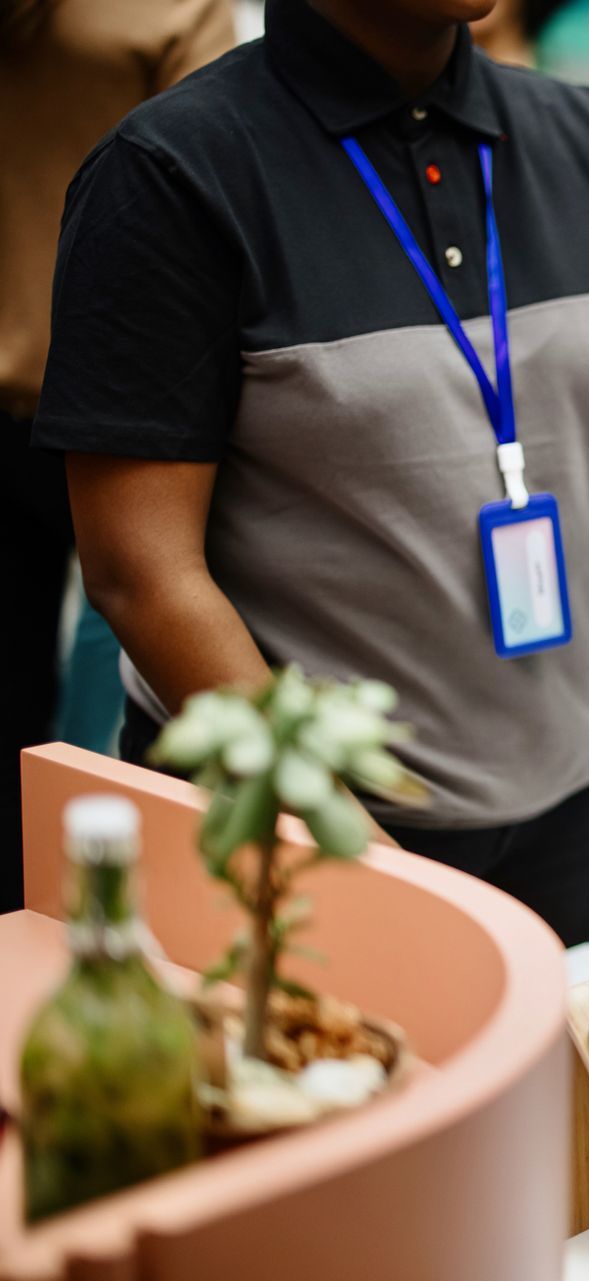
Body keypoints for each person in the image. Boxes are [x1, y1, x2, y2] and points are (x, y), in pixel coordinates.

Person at [32, 0, 589, 946]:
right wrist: (335, 835)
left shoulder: (582, 136)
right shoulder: (173, 174)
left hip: (568, 802)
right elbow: (141, 573)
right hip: (305, 829)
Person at [0, 0, 233, 915]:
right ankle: (93, 928)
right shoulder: (174, 10)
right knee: (116, 720)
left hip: (11, 395)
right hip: (127, 424)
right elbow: (210, 192)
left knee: (10, 713)